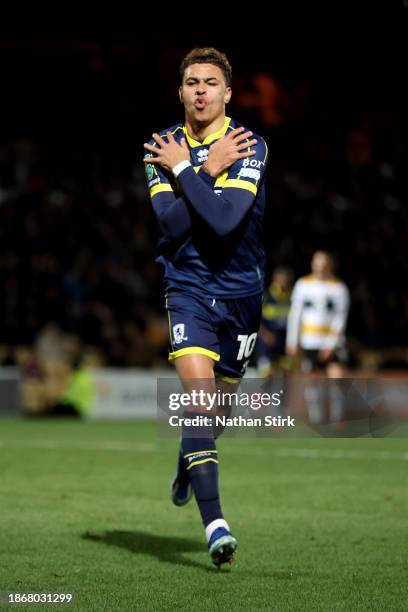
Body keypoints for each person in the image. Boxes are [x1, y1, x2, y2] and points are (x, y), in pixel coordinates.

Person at [143, 47, 268, 566]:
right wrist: (201, 169)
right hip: (188, 287)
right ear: (180, 92)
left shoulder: (248, 145)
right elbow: (170, 227)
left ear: (227, 93)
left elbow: (223, 221)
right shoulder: (159, 147)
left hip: (241, 293)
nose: (200, 91)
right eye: (191, 82)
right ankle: (215, 525)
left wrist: (196, 170)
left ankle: (188, 459)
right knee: (198, 400)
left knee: (215, 414)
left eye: (210, 82)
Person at [286, 251, 350, 425]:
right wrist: (292, 342)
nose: (318, 267)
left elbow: (340, 318)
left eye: (322, 263)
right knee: (311, 380)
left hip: (332, 343)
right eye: (316, 263)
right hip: (309, 341)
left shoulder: (339, 287)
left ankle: (338, 418)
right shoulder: (303, 284)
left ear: (329, 265)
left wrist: (331, 344)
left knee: (336, 378)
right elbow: (295, 314)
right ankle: (317, 419)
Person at [257, 266, 293, 378]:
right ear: (274, 278)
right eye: (280, 277)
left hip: (284, 343)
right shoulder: (265, 296)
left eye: (286, 278)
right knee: (265, 378)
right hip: (266, 343)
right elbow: (254, 320)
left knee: (285, 376)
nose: (283, 280)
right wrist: (265, 335)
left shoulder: (292, 298)